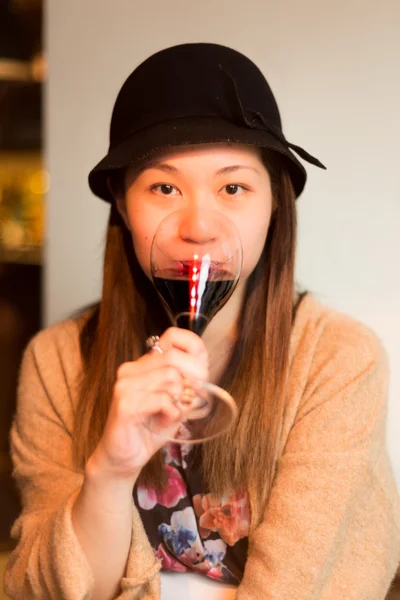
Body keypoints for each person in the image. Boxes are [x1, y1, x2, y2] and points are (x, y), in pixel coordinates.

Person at [3, 42, 400, 600]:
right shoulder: (58, 361)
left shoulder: (338, 360)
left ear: (274, 206)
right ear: (122, 203)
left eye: (233, 188)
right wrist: (111, 471)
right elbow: (42, 590)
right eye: (164, 188)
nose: (198, 226)